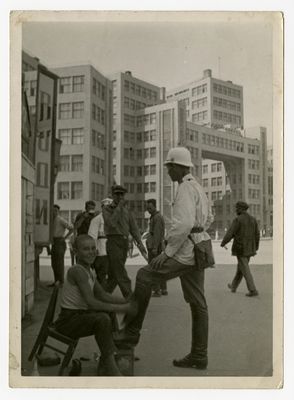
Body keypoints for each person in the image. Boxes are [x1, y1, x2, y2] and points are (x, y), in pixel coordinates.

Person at [115, 147, 214, 370]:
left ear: (179, 167)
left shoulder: (184, 189)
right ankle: (199, 355)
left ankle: (131, 333)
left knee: (144, 275)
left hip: (186, 250)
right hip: (199, 248)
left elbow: (184, 224)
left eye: (169, 166)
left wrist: (167, 253)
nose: (168, 170)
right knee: (199, 304)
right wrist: (197, 232)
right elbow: (209, 218)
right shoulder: (197, 187)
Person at [54, 234, 137, 376]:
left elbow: (103, 295)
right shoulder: (77, 271)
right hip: (67, 322)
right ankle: (111, 366)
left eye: (93, 248)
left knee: (108, 314)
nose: (91, 252)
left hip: (78, 317)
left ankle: (111, 354)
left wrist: (128, 300)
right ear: (75, 252)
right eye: (86, 249)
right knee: (102, 319)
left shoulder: (89, 270)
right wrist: (122, 308)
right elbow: (91, 303)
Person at [102, 185, 147, 299]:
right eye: (117, 194)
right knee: (120, 271)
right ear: (112, 195)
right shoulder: (107, 209)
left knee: (114, 273)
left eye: (122, 194)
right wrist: (119, 208)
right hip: (113, 241)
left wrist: (140, 244)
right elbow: (111, 224)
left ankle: (102, 296)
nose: (120, 197)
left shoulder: (127, 211)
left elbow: (134, 228)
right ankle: (130, 297)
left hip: (124, 243)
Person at [220, 201, 260, 297]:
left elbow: (231, 233)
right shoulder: (253, 219)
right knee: (241, 267)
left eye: (237, 208)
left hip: (240, 248)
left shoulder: (238, 220)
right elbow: (257, 235)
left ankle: (252, 289)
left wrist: (223, 242)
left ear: (241, 209)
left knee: (245, 268)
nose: (235, 210)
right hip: (250, 248)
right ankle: (233, 286)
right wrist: (256, 247)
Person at [88, 198, 113, 289]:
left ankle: (105, 293)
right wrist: (95, 250)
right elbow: (92, 237)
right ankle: (101, 295)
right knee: (101, 275)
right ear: (102, 208)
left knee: (113, 275)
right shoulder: (96, 220)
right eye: (106, 207)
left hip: (112, 253)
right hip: (101, 253)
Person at [145, 199, 167, 297]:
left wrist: (154, 248)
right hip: (157, 246)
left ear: (154, 206)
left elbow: (157, 234)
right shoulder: (155, 217)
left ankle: (157, 290)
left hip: (155, 247)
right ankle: (163, 289)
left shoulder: (157, 217)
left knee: (154, 269)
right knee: (160, 268)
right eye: (147, 208)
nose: (148, 210)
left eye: (150, 208)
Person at [49, 204, 73, 287]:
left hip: (60, 241)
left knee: (59, 263)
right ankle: (56, 281)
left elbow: (71, 228)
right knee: (54, 263)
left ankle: (61, 282)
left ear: (58, 211)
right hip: (54, 242)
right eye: (52, 210)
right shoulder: (51, 220)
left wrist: (65, 237)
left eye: (55, 211)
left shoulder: (60, 219)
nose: (53, 212)